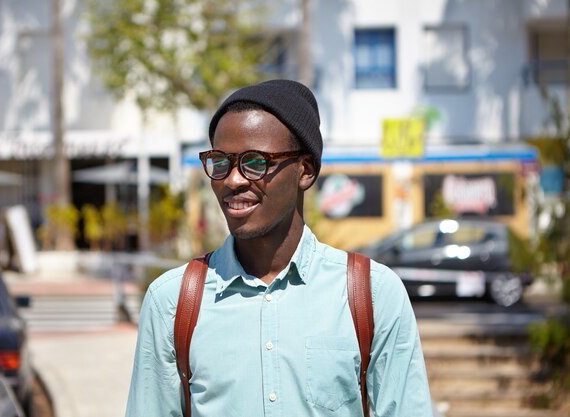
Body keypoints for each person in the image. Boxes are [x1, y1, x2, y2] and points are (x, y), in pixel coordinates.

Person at [125, 79, 433, 417]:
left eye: (255, 162)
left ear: (305, 171)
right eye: (220, 161)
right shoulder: (173, 302)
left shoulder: (371, 294)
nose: (232, 180)